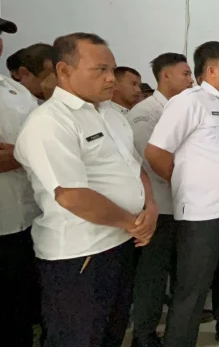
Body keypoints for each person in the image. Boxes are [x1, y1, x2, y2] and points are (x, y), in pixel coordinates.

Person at [14, 32, 158, 347]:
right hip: (80, 254)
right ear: (64, 70)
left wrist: (150, 207)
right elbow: (72, 196)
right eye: (101, 70)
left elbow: (134, 167)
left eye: (113, 69)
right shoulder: (50, 122)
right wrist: (133, 222)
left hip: (121, 244)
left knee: (112, 331)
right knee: (78, 337)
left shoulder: (111, 115)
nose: (111, 78)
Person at [146, 41, 219, 347]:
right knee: (192, 287)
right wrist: (186, 184)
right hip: (202, 215)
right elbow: (156, 152)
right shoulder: (188, 103)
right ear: (211, 70)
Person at [128, 52, 195, 347]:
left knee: (183, 270)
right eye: (185, 74)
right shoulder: (145, 113)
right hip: (159, 207)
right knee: (153, 276)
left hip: (185, 204)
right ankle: (144, 334)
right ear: (165, 75)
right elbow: (154, 162)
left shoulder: (185, 108)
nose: (191, 80)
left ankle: (179, 320)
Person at [1, 70, 42, 347]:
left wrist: (20, 154)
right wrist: (26, 154)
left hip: (26, 218)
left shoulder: (16, 90)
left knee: (18, 311)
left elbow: (39, 143)